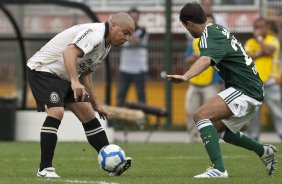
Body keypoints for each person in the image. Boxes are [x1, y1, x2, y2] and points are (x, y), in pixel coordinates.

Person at [166, 2, 278, 178]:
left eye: (185, 27)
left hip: (245, 88)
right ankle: (263, 151)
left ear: (188, 23)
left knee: (200, 115)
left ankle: (218, 169)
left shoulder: (208, 36)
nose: (187, 31)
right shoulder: (216, 29)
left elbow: (205, 60)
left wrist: (186, 76)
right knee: (217, 128)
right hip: (250, 88)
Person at [26, 12, 135, 178]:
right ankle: (44, 169)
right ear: (113, 25)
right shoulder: (95, 34)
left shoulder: (106, 46)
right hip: (44, 69)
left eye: (130, 35)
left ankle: (113, 163)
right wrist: (74, 81)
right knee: (57, 112)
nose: (126, 38)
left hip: (66, 75)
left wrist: (95, 103)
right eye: (125, 32)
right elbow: (69, 52)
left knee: (88, 113)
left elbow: (85, 73)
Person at [184, 14, 223, 142]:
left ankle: (213, 136)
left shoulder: (219, 41)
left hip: (211, 83)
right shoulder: (195, 41)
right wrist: (194, 58)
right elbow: (187, 60)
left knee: (213, 113)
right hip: (195, 82)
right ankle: (193, 137)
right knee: (190, 111)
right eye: (206, 23)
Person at [245, 17, 282, 141]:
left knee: (277, 112)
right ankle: (253, 137)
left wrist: (260, 41)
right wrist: (261, 53)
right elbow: (247, 58)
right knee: (253, 113)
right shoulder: (250, 42)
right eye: (256, 27)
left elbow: (270, 50)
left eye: (261, 27)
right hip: (254, 83)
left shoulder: (273, 40)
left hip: (271, 82)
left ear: (267, 27)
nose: (258, 30)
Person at [116, 8, 149, 107]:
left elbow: (136, 41)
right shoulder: (122, 31)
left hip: (139, 69)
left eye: (136, 17)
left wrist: (128, 31)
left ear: (139, 18)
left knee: (141, 96)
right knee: (120, 95)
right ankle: (118, 120)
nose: (134, 19)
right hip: (125, 69)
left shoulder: (143, 30)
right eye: (132, 17)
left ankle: (143, 119)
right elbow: (118, 41)